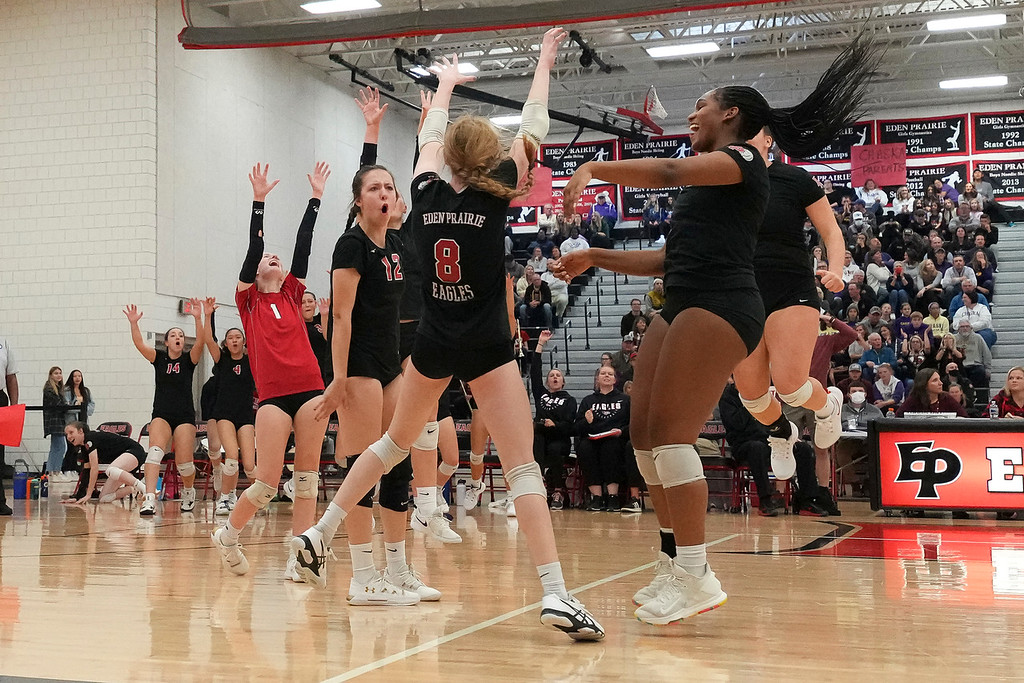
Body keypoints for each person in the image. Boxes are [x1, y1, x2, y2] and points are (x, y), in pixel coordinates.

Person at [551, 34, 878, 625]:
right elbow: (666, 260)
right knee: (646, 437)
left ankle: (698, 572)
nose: (691, 115)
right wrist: (595, 257)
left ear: (731, 114)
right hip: (683, 298)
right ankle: (674, 562)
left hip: (725, 304)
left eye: (701, 104)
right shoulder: (706, 186)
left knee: (674, 437)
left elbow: (670, 167)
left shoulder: (745, 161)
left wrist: (597, 165)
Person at [291, 31, 604, 639]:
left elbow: (430, 133)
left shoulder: (424, 192)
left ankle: (320, 529)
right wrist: (543, 59)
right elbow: (534, 119)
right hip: (486, 345)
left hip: (431, 342)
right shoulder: (498, 193)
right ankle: (557, 594)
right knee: (522, 471)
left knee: (391, 447)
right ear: (489, 159)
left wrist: (445, 86)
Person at [209, 162, 330, 580]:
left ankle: (301, 558)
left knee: (308, 479)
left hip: (313, 389)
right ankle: (228, 533)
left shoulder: (295, 295)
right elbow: (251, 252)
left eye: (274, 258)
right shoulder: (249, 303)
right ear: (256, 275)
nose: (272, 258)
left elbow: (304, 247)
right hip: (274, 399)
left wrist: (315, 198)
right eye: (266, 260)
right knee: (266, 483)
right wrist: (258, 202)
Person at [731, 127, 844, 483]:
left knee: (791, 386)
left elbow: (831, 231)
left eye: (749, 134)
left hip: (791, 288)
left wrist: (837, 269)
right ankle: (782, 433)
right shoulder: (722, 182)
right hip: (742, 292)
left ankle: (828, 407)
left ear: (768, 140)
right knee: (751, 397)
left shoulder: (794, 178)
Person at [124, 300, 205, 516]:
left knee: (185, 465)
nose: (178, 337)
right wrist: (134, 323)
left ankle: (188, 491)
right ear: (167, 342)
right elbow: (140, 344)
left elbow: (201, 343)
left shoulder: (190, 360)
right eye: (173, 335)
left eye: (180, 335)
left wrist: (198, 318)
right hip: (161, 413)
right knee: (154, 454)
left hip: (185, 416)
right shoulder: (158, 358)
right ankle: (149, 498)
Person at [201, 319, 256, 516]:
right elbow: (208, 339)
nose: (234, 341)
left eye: (238, 337)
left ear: (243, 341)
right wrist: (208, 316)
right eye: (230, 338)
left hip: (245, 416)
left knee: (250, 465)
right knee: (231, 456)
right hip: (224, 414)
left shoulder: (253, 360)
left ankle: (259, 496)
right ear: (225, 343)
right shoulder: (222, 360)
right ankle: (225, 498)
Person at [530, 330, 576, 510]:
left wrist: (554, 424)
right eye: (551, 376)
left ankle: (557, 491)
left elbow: (569, 424)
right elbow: (534, 372)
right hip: (541, 436)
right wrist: (540, 345)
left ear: (563, 382)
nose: (555, 377)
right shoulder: (541, 394)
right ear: (548, 382)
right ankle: (538, 482)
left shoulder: (569, 399)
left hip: (559, 438)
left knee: (555, 448)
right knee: (537, 438)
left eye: (558, 376)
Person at [576, 366, 632, 511]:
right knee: (584, 448)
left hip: (615, 438)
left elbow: (632, 424)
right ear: (597, 378)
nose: (606, 376)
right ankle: (597, 496)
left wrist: (621, 431)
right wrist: (586, 421)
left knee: (610, 448)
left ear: (615, 379)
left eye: (610, 374)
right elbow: (576, 427)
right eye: (603, 373)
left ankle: (613, 496)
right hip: (593, 438)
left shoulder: (625, 400)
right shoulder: (588, 400)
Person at [62, 421, 147, 505]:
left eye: (71, 432)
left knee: (111, 470)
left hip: (135, 451)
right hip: (121, 463)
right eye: (67, 434)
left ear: (80, 431)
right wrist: (79, 497)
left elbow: (94, 468)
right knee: (104, 498)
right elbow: (87, 471)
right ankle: (136, 488)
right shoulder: (84, 447)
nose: (68, 437)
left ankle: (145, 489)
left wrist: (88, 494)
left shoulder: (89, 438)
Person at [895, 369, 968, 416]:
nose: (941, 383)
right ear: (924, 384)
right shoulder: (914, 400)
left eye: (939, 379)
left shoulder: (946, 398)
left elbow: (964, 417)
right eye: (935, 380)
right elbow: (898, 417)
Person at [0, 335, 19, 516]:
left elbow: (11, 377)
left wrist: (13, 409)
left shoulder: (4, 342)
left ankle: (0, 502)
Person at [42, 366, 68, 474]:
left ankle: (51, 471)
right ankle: (55, 470)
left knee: (55, 447)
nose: (59, 375)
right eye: (56, 373)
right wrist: (68, 406)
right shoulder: (50, 389)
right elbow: (59, 404)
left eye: (60, 373)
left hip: (58, 421)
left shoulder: (58, 389)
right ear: (51, 375)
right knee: (61, 447)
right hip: (54, 421)